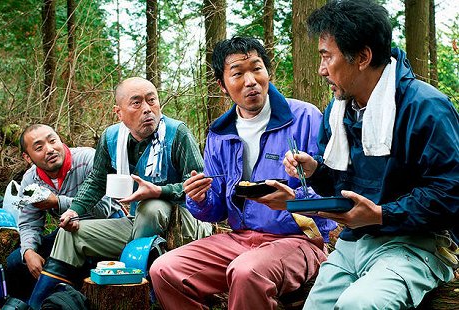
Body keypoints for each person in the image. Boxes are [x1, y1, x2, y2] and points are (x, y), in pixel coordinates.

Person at [278, 1, 458, 309]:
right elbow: (340, 185)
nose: (322, 69)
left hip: (417, 244)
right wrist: (316, 170)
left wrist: (380, 215)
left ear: (362, 57)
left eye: (327, 56)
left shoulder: (427, 107)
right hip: (353, 244)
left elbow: (450, 193)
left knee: (360, 304)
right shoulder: (337, 113)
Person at [149, 37, 337, 309]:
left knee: (248, 272)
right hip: (240, 239)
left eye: (257, 69)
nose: (250, 80)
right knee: (165, 270)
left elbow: (331, 188)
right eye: (238, 73)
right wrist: (199, 198)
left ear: (268, 73)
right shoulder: (220, 132)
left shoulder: (305, 118)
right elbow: (216, 209)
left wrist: (293, 198)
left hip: (299, 240)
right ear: (222, 85)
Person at [28, 77, 212, 309]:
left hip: (184, 223)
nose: (147, 109)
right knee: (70, 233)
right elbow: (97, 181)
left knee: (152, 205)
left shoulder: (177, 134)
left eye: (151, 100)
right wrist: (74, 210)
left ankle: (145, 293)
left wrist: (160, 190)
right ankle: (39, 304)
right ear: (119, 112)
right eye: (136, 103)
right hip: (137, 224)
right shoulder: (111, 138)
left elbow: (200, 185)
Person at [5, 124, 124, 302]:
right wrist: (29, 251)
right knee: (16, 261)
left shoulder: (88, 159)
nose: (50, 149)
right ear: (27, 157)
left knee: (83, 269)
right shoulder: (31, 179)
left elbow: (105, 209)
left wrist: (58, 202)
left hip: (105, 230)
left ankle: (61, 301)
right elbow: (29, 222)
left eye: (52, 140)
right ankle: (29, 304)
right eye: (39, 147)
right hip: (67, 231)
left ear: (60, 140)